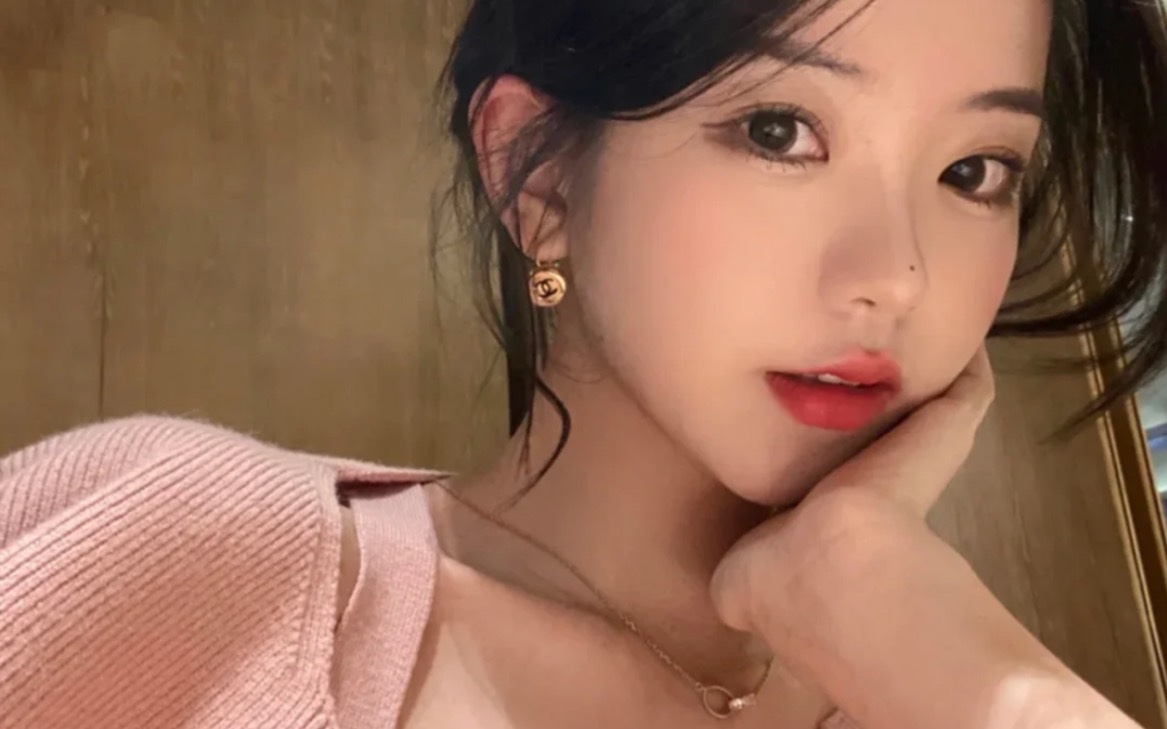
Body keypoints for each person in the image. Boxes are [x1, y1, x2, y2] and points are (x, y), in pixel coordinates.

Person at [2, 0, 1167, 727]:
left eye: (975, 173)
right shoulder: (185, 556)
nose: (897, 276)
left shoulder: (937, 683)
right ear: (540, 176)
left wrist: (937, 649)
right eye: (779, 131)